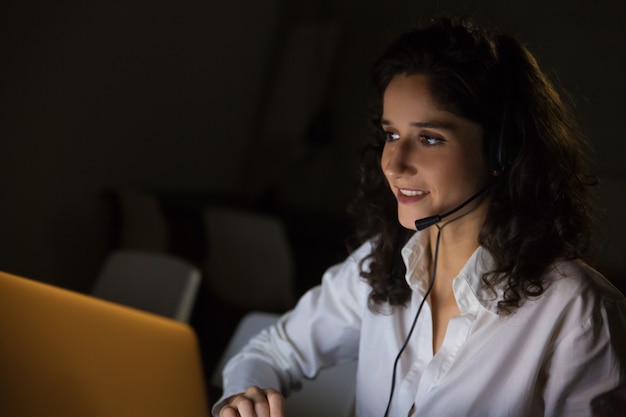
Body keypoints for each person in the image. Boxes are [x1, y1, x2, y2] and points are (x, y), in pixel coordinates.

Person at [212, 17, 626, 417]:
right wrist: (247, 400)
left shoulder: (576, 310)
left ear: (504, 151)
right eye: (391, 134)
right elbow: (267, 351)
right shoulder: (382, 261)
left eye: (429, 138)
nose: (393, 163)